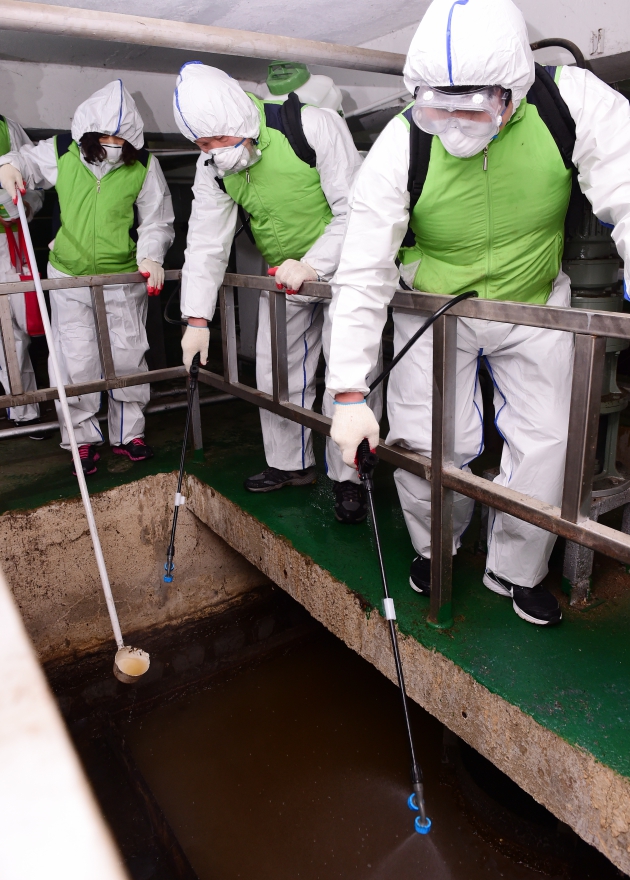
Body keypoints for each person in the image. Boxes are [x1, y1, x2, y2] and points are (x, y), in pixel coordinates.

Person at [326, 0, 630, 626]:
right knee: (431, 437)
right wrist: (349, 391)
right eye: (440, 110)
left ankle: (515, 571)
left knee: (547, 440)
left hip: (534, 302)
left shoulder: (568, 102)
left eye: (475, 109)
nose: (456, 126)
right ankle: (435, 548)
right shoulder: (402, 140)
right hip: (436, 304)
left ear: (514, 90)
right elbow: (361, 269)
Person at [174, 62, 380, 524]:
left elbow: (357, 211)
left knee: (349, 379)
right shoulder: (213, 168)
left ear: (242, 119)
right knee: (275, 373)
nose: (213, 153)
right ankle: (291, 466)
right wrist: (196, 318)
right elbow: (206, 242)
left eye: (219, 140)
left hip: (345, 270)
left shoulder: (312, 127)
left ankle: (350, 478)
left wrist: (314, 263)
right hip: (282, 277)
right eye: (202, 145)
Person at [0, 81, 175, 474]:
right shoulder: (61, 151)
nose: (113, 143)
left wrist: (151, 254)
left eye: (121, 137)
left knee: (129, 356)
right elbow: (23, 160)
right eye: (105, 136)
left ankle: (129, 434)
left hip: (123, 275)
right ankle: (81, 439)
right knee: (75, 360)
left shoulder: (145, 165)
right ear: (89, 133)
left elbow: (157, 219)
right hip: (70, 275)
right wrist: (9, 167)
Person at [0, 115, 45, 435]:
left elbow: (33, 182)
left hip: (9, 239)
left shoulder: (8, 127)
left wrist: (26, 204)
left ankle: (24, 411)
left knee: (13, 331)